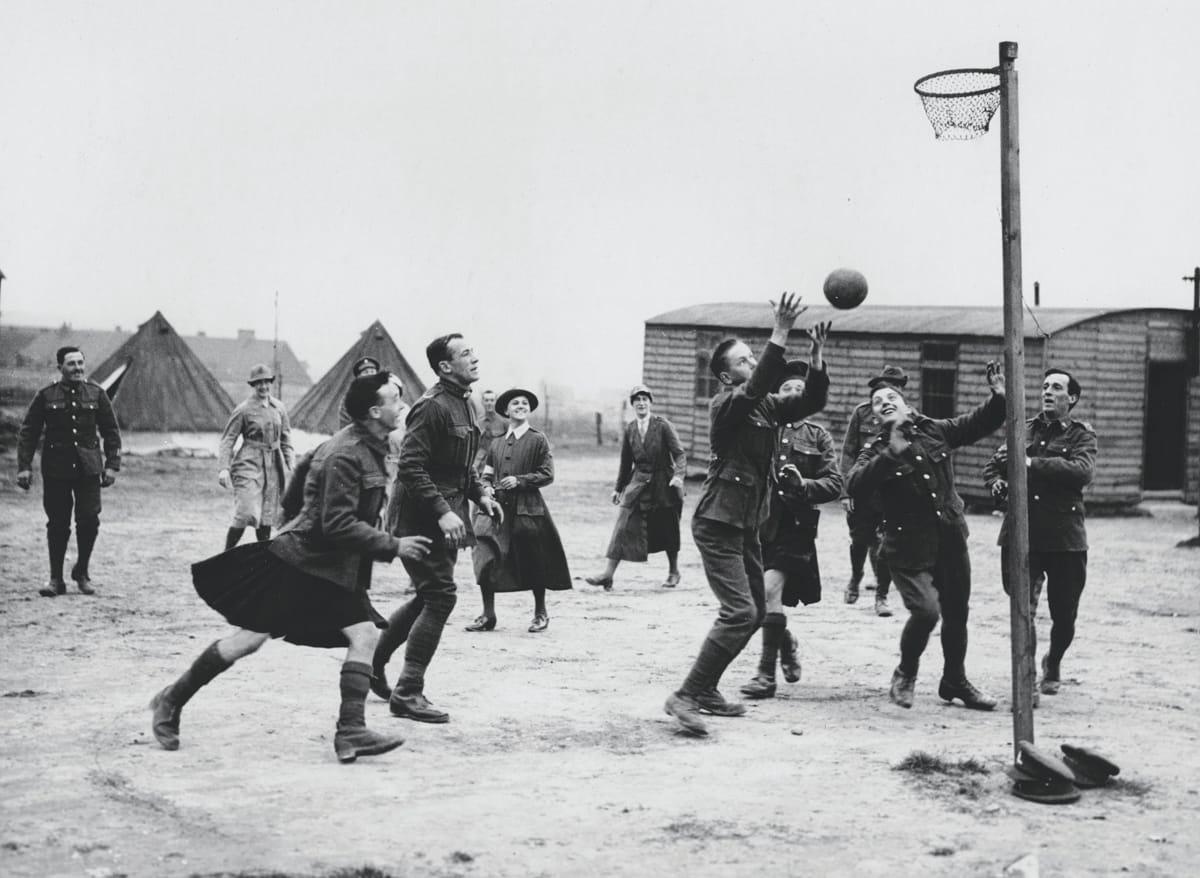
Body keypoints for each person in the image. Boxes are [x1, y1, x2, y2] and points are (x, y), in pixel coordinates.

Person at [148, 372, 433, 763]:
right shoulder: (344, 453)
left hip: (330, 566)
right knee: (248, 640)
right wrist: (394, 545)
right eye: (394, 400)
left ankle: (350, 730)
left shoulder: (371, 446)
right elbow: (337, 523)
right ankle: (171, 699)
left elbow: (302, 493)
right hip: (302, 565)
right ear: (373, 411)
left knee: (364, 634)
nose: (401, 405)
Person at [663, 293, 831, 737]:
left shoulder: (767, 406)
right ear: (725, 375)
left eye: (753, 357)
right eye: (744, 361)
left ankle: (709, 689)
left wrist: (815, 357)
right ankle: (686, 695)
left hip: (748, 524)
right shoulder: (727, 404)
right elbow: (757, 385)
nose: (752, 364)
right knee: (739, 612)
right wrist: (779, 332)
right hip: (718, 522)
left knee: (754, 611)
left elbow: (810, 402)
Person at [846, 361, 1006, 711]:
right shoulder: (875, 450)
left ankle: (955, 681)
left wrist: (998, 397)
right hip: (907, 549)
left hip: (949, 539)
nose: (884, 401)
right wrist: (892, 453)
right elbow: (855, 484)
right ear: (874, 416)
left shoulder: (934, 430)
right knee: (926, 612)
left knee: (956, 613)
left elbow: (976, 424)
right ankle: (906, 673)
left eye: (891, 397)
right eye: (877, 401)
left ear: (906, 404)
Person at [370, 333, 504, 722]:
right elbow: (411, 467)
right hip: (420, 517)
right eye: (465, 354)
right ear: (445, 367)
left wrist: (481, 495)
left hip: (445, 513)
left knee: (428, 595)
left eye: (473, 351)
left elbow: (464, 466)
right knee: (441, 596)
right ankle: (408, 692)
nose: (474, 358)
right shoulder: (431, 408)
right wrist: (444, 511)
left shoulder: (465, 403)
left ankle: (371, 669)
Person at [983, 368, 1096, 697]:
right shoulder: (1023, 429)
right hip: (1023, 535)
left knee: (1065, 616)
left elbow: (1082, 471)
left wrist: (1030, 463)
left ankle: (1054, 661)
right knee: (1023, 611)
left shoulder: (1081, 435)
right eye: (1045, 386)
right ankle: (1027, 679)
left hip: (1065, 539)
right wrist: (997, 482)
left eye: (1057, 388)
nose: (1047, 391)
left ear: (1071, 398)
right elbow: (993, 466)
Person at [740, 360, 843, 699]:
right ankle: (785, 640)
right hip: (759, 523)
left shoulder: (818, 436)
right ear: (776, 395)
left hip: (796, 525)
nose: (794, 395)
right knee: (758, 600)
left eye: (801, 390)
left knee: (769, 591)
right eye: (787, 390)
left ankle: (765, 676)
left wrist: (805, 485)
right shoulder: (761, 428)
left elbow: (834, 483)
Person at [16, 346, 121, 596]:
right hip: (56, 468)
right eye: (71, 364)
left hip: (89, 468)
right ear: (60, 368)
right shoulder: (46, 395)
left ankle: (82, 572)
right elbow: (28, 432)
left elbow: (111, 431)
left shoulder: (96, 393)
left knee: (89, 520)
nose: (77, 368)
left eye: (80, 363)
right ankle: (55, 580)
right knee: (57, 523)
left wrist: (112, 465)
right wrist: (23, 467)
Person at [467, 388, 572, 632]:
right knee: (486, 556)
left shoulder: (538, 440)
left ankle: (540, 614)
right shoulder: (497, 443)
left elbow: (548, 474)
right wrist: (486, 490)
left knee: (534, 559)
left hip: (528, 509)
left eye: (525, 403)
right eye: (516, 403)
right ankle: (488, 615)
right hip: (497, 510)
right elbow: (486, 475)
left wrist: (520, 480)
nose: (521, 406)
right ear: (506, 410)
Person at [585, 385, 687, 591]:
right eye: (637, 400)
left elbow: (680, 453)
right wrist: (618, 488)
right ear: (632, 404)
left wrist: (678, 476)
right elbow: (625, 461)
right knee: (623, 525)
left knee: (668, 527)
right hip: (638, 485)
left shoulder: (663, 425)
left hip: (663, 484)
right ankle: (608, 574)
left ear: (650, 402)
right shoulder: (630, 428)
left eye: (644, 399)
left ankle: (674, 571)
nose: (641, 403)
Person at [840, 365, 908, 616]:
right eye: (886, 384)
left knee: (887, 545)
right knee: (859, 540)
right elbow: (848, 452)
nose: (891, 390)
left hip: (891, 492)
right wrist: (845, 492)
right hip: (863, 490)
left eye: (897, 386)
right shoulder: (862, 413)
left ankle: (881, 596)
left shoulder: (909, 416)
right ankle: (856, 577)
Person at [217, 364, 294, 549]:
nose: (263, 387)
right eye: (258, 383)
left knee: (267, 514)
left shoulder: (279, 408)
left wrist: (290, 461)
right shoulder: (243, 409)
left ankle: (264, 558)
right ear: (253, 385)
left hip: (274, 464)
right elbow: (228, 439)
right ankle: (226, 554)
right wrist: (223, 468)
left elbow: (286, 436)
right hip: (249, 463)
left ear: (270, 384)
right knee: (245, 511)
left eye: (266, 382)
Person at [338, 357, 382, 429]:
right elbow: (345, 424)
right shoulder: (349, 398)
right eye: (366, 372)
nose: (370, 375)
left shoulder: (385, 393)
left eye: (372, 372)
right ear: (358, 377)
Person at [473, 389, 508, 473]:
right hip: (479, 466)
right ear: (482, 402)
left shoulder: (504, 422)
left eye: (492, 400)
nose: (489, 403)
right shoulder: (477, 422)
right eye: (486, 400)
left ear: (496, 402)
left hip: (498, 466)